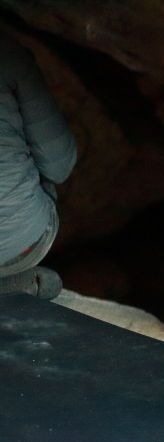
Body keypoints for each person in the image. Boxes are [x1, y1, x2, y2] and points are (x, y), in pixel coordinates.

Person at [0, 32, 76, 299]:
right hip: (19, 246)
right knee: (44, 170)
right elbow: (60, 166)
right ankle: (14, 284)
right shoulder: (8, 52)